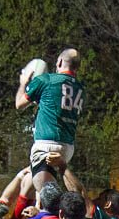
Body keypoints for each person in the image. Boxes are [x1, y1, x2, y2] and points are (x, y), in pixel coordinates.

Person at [15, 48, 85, 195]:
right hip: (67, 147)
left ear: (59, 62)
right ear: (77, 67)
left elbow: (19, 104)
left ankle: (46, 214)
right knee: (34, 185)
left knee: (45, 195)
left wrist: (23, 82)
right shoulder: (80, 88)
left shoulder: (46, 80)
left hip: (46, 144)